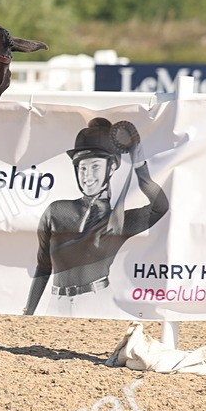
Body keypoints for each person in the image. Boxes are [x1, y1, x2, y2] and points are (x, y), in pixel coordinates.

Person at [24, 118, 169, 316]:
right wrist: (28, 312)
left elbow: (160, 207)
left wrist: (139, 163)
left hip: (96, 302)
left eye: (95, 167)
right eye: (82, 168)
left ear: (110, 168)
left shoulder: (119, 222)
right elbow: (43, 266)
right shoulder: (56, 211)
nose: (87, 176)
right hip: (56, 303)